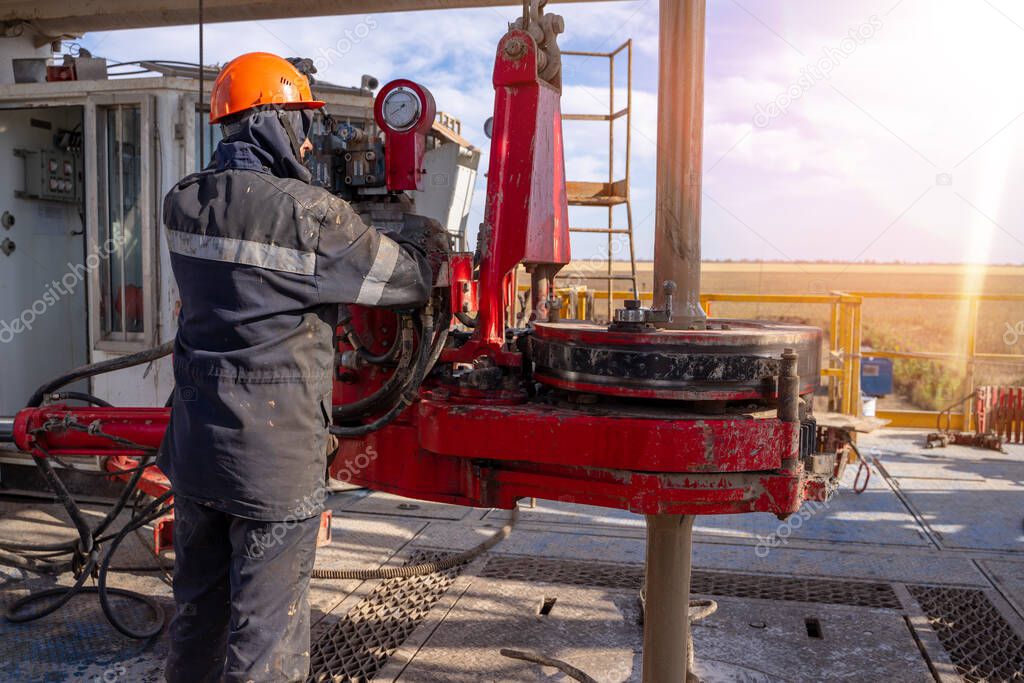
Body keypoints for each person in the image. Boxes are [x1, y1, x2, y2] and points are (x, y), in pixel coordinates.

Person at [159, 52, 433, 682]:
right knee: (267, 638)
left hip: (196, 449)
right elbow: (407, 280)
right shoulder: (312, 216)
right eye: (302, 123)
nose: (310, 140)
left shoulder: (183, 202)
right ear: (273, 122)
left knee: (198, 614)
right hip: (271, 468)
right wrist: (425, 234)